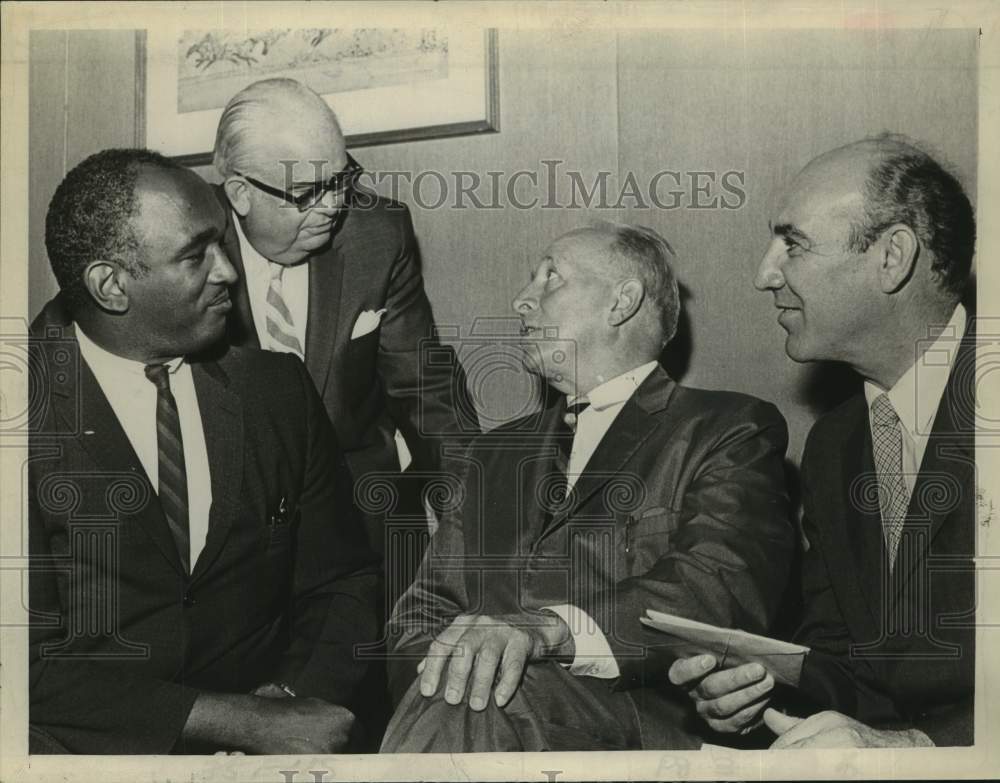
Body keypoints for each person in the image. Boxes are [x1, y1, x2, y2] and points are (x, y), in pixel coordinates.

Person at [380, 223, 793, 751]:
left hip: (640, 728)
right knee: (473, 691)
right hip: (478, 724)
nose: (521, 300)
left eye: (551, 277)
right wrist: (462, 664)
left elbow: (716, 585)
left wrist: (547, 630)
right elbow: (422, 613)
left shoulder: (726, 428)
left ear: (622, 302)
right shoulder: (491, 454)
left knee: (481, 696)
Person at [28, 149, 380, 754]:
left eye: (224, 242)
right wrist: (228, 720)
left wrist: (291, 700)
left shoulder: (277, 391)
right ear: (110, 285)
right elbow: (19, 660)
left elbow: (342, 580)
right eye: (196, 256)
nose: (229, 272)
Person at [668, 135, 977, 748]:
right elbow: (848, 664)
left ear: (892, 258)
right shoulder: (836, 444)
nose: (764, 274)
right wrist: (757, 694)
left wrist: (916, 751)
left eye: (794, 243)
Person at [211, 77, 478, 561]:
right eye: (309, 192)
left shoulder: (377, 234)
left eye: (341, 178)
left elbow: (427, 391)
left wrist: (479, 512)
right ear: (240, 193)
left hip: (359, 520)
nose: (334, 206)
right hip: (224, 530)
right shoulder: (184, 243)